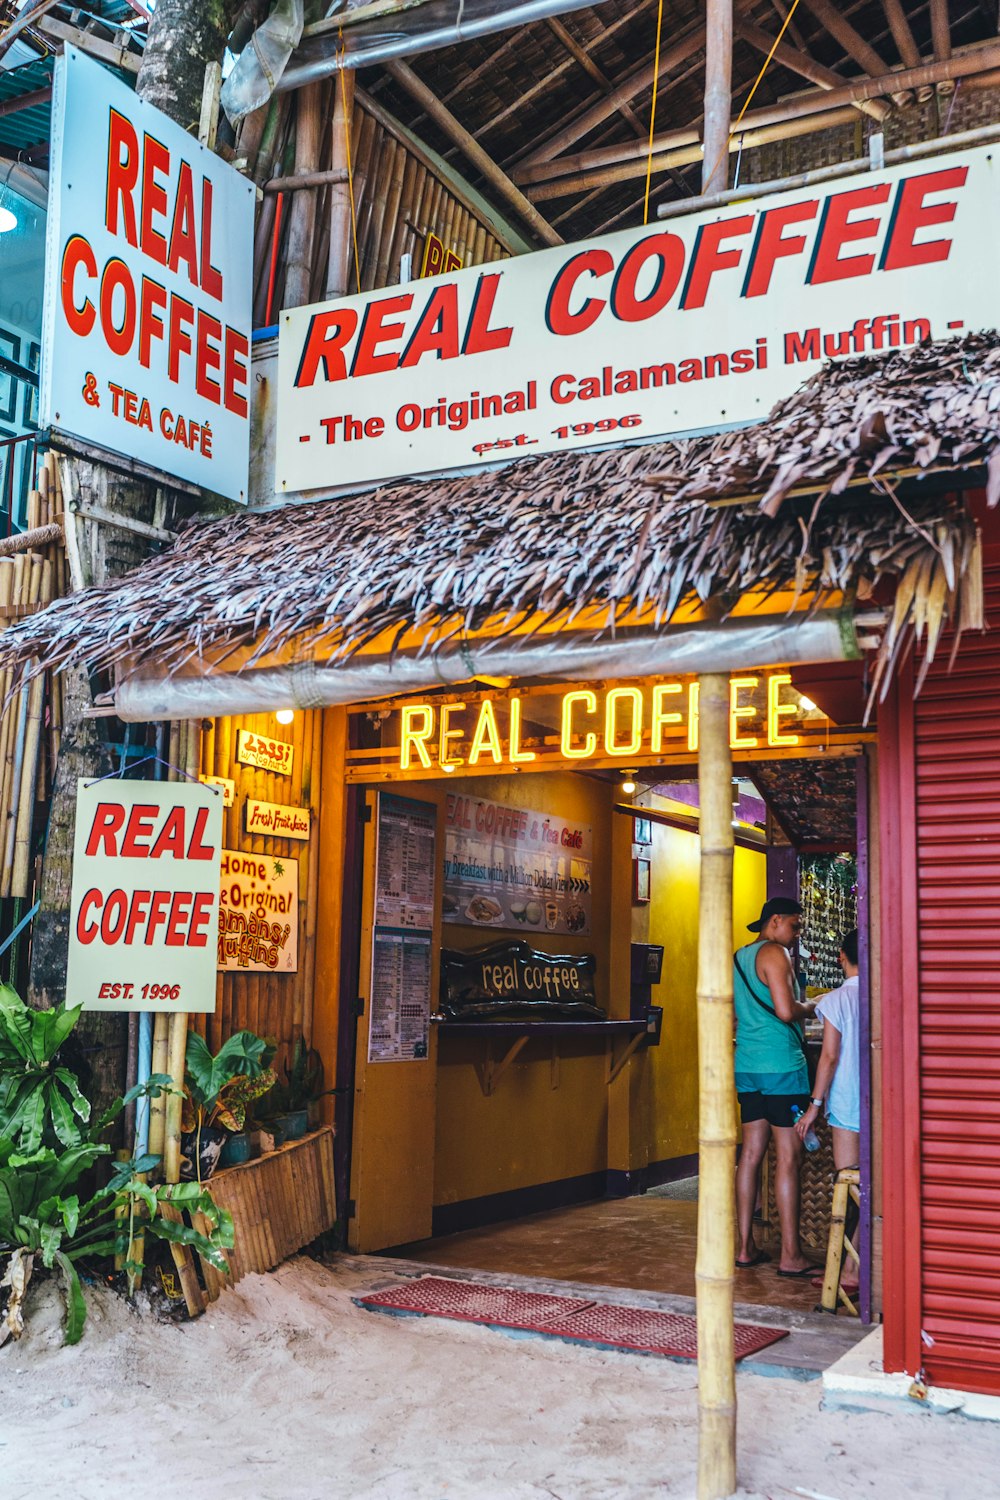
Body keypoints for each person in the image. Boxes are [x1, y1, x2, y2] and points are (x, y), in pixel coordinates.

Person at [733, 896, 815, 1277]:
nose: (796, 934)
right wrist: (814, 1006)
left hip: (748, 1066)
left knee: (750, 1155)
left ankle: (745, 1246)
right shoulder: (775, 954)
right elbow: (785, 1011)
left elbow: (737, 1015)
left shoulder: (739, 957)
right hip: (782, 1067)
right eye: (795, 926)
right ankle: (790, 1254)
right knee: (789, 1157)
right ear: (776, 920)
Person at [794, 929, 861, 1291]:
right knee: (872, 1188)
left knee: (848, 1186)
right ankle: (856, 1265)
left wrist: (813, 1106)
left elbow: (830, 1057)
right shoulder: (880, 994)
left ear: (840, 956)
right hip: (879, 1104)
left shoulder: (836, 1000)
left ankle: (847, 1271)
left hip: (848, 1105)